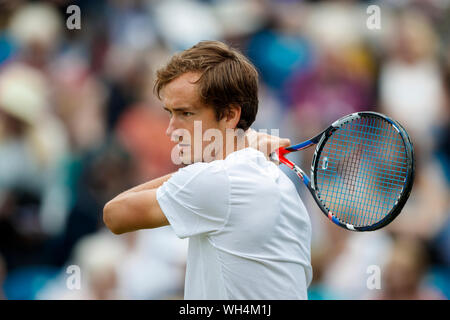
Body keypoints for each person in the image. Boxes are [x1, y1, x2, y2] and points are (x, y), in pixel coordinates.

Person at [103, 41, 313, 299]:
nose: (171, 129)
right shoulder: (281, 184)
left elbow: (114, 214)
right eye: (170, 113)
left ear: (229, 115)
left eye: (186, 113)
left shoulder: (218, 180)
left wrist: (210, 166)